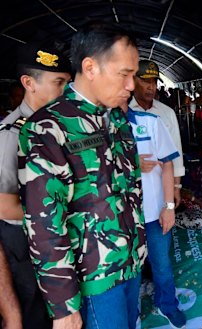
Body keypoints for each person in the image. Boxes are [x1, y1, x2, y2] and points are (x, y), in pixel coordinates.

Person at [18, 23, 146, 329]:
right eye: (124, 74)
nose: (132, 85)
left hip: (131, 264)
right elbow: (43, 222)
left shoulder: (116, 119)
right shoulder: (49, 127)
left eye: (134, 74)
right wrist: (63, 306)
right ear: (90, 67)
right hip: (94, 280)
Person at [0, 41, 71, 329]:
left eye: (68, 83)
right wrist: (65, 211)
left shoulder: (59, 126)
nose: (66, 91)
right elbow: (4, 204)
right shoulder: (12, 134)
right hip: (27, 246)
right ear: (29, 83)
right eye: (59, 82)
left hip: (60, 237)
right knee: (38, 314)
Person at [123, 103, 187, 328]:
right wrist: (131, 163)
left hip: (153, 212)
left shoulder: (149, 122)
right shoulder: (97, 125)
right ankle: (131, 316)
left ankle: (167, 304)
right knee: (127, 271)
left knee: (161, 263)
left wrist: (169, 206)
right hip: (121, 218)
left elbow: (167, 164)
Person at [130, 60, 185, 207]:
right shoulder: (122, 114)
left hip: (163, 187)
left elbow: (176, 152)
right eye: (145, 81)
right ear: (132, 81)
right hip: (133, 187)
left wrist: (176, 187)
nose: (151, 87)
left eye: (154, 82)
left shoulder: (167, 113)